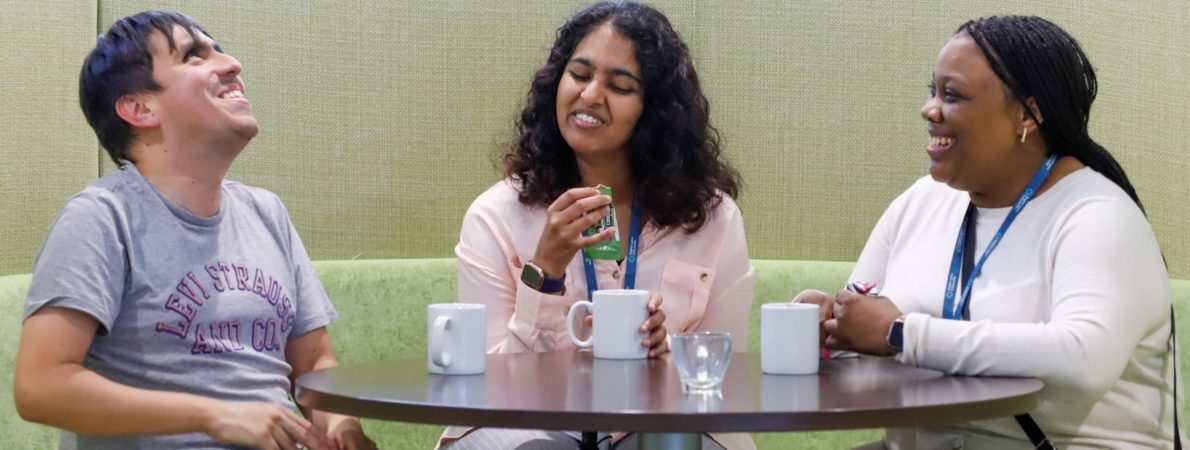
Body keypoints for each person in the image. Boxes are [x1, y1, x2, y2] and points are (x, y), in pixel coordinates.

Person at [796, 16, 1185, 449]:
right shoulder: (921, 202)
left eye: (952, 95)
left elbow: (1084, 359)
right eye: (932, 91)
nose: (929, 109)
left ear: (1028, 114)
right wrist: (827, 329)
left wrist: (902, 333)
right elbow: (864, 342)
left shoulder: (1097, 216)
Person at [12, 11, 375, 450]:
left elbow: (314, 360)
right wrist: (211, 414)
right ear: (139, 108)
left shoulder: (267, 212)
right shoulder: (101, 218)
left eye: (219, 49)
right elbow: (41, 387)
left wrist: (341, 426)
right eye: (194, 56)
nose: (231, 63)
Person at [444, 2, 754, 449]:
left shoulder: (711, 218)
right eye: (580, 74)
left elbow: (729, 379)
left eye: (619, 86)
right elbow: (486, 390)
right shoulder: (496, 216)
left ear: (656, 110)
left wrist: (669, 358)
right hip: (524, 426)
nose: (590, 95)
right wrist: (544, 272)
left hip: (663, 426)